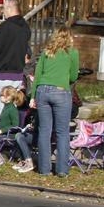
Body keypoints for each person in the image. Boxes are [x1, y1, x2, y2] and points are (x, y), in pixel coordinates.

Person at [31, 28, 79, 177]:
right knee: (62, 132)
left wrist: (33, 96)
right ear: (70, 38)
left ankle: (44, 169)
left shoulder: (47, 51)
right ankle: (62, 170)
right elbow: (73, 76)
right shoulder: (72, 53)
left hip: (42, 91)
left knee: (45, 131)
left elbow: (37, 74)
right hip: (61, 91)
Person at [0, 0, 30, 123]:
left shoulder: (4, 27)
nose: (2, 11)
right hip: (17, 75)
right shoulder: (25, 28)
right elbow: (27, 50)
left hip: (1, 75)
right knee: (12, 112)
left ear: (10, 8)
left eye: (3, 8)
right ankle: (10, 138)